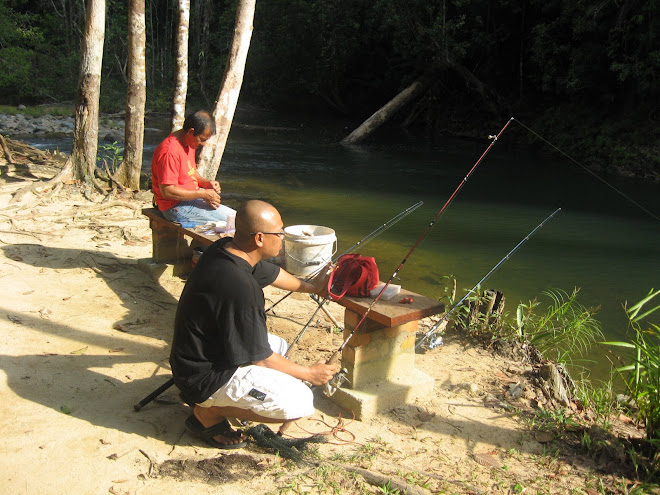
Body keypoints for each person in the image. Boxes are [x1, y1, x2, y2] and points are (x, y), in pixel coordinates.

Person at [169, 200, 337, 449]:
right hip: (202, 377)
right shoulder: (240, 287)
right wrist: (309, 373)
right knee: (299, 402)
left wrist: (312, 287)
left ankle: (221, 401)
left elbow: (270, 273)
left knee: (278, 344)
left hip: (195, 358)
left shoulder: (225, 250)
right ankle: (207, 414)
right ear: (259, 238)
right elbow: (262, 359)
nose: (282, 237)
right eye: (279, 232)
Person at [151, 110, 236, 226]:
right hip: (174, 207)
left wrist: (205, 183)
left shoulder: (188, 142)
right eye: (202, 139)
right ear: (191, 132)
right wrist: (203, 194)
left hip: (189, 201)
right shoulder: (170, 152)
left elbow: (191, 172)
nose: (204, 144)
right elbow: (167, 191)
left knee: (235, 217)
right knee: (235, 221)